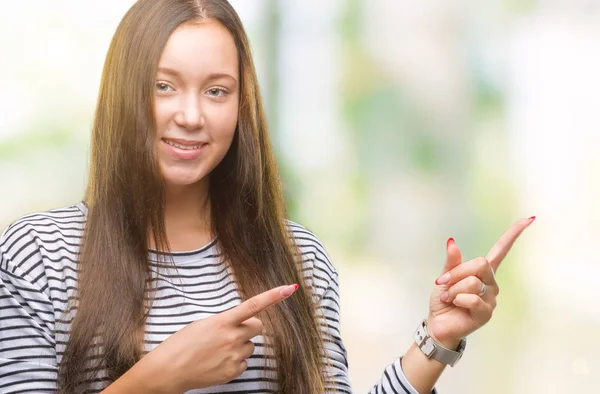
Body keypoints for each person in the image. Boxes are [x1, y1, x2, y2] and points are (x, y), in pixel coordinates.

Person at [0, 0, 534, 393]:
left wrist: (436, 341)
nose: (191, 114)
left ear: (241, 106)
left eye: (217, 91)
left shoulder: (297, 257)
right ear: (123, 93)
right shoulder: (40, 253)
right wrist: (161, 375)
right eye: (164, 86)